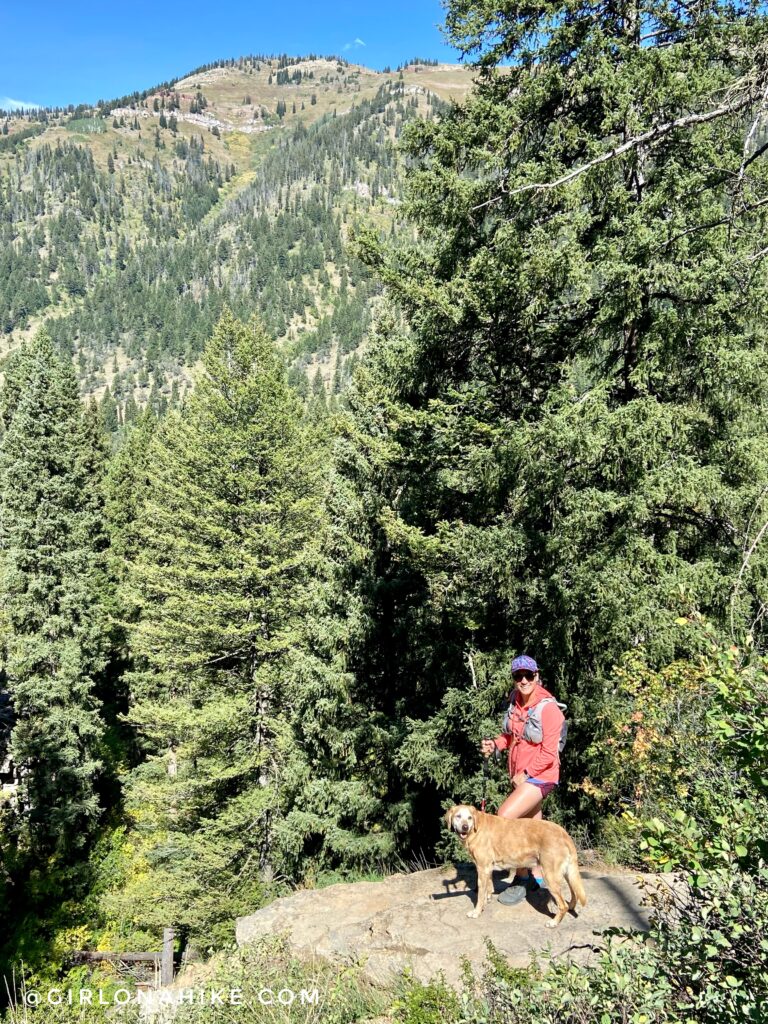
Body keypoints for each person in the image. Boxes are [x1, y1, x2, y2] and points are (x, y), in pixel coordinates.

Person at [480, 654, 565, 906]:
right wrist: (494, 744)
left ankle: (521, 878)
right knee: (532, 829)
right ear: (514, 679)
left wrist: (526, 774)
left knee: (505, 817)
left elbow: (550, 753)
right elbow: (511, 737)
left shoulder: (548, 709)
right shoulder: (515, 702)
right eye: (519, 676)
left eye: (529, 675)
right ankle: (537, 877)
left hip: (541, 775)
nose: (524, 680)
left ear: (537, 676)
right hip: (521, 776)